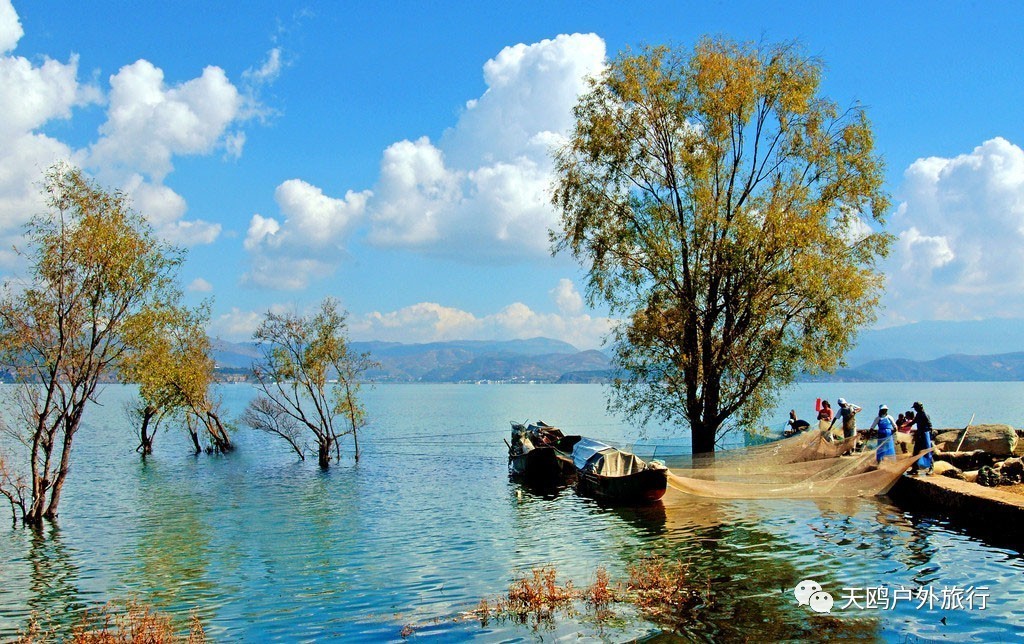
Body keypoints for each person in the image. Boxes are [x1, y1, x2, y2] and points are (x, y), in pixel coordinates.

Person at [909, 401, 934, 475]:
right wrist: (905, 426)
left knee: (927, 452)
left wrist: (929, 436)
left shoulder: (924, 415)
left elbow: (930, 426)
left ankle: (931, 468)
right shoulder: (918, 414)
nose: (915, 409)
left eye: (915, 408)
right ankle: (915, 468)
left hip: (925, 435)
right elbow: (913, 422)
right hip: (919, 435)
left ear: (919, 407)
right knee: (916, 452)